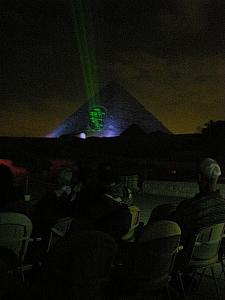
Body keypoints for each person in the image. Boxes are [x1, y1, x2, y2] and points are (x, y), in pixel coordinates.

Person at [172, 158, 225, 246]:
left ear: (199, 178)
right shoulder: (223, 206)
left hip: (187, 257)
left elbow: (173, 230)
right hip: (213, 256)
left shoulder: (190, 207)